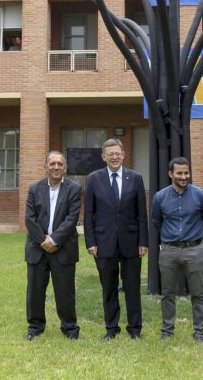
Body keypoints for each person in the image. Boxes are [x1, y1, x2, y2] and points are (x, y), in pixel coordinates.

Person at [84, 138, 149, 341]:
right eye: (110, 154)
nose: (114, 157)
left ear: (123, 155)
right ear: (103, 157)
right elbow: (88, 214)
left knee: (132, 288)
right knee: (109, 288)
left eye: (117, 153)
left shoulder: (136, 178)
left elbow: (141, 214)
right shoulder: (93, 179)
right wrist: (90, 241)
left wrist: (143, 241)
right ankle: (111, 329)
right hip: (104, 243)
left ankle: (135, 329)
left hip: (131, 242)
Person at [151, 157, 203, 343]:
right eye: (179, 173)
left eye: (186, 173)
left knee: (198, 293)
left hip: (194, 250)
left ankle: (200, 333)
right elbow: (156, 221)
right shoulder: (160, 197)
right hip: (169, 250)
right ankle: (167, 330)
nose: (183, 176)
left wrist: (195, 234)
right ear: (171, 174)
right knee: (167, 292)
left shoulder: (201, 196)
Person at [24, 151, 82, 341]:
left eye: (60, 164)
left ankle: (69, 328)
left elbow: (72, 218)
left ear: (65, 167)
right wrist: (44, 241)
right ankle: (35, 327)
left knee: (65, 291)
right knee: (35, 290)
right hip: (37, 248)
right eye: (52, 164)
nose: (56, 167)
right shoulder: (34, 188)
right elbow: (29, 219)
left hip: (63, 248)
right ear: (46, 166)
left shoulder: (74, 189)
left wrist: (54, 239)